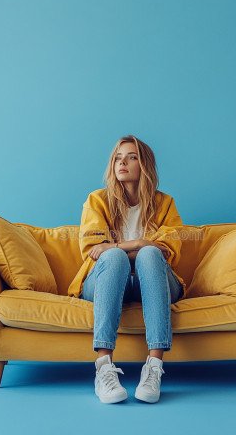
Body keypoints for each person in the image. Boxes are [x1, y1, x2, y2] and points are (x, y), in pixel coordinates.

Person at [70, 134, 187, 404]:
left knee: (148, 255)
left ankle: (154, 368)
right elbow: (95, 249)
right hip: (107, 282)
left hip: (155, 280)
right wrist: (137, 243)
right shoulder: (97, 200)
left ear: (144, 164)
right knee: (116, 259)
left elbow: (168, 249)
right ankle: (103, 368)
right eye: (117, 158)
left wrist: (124, 245)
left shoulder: (165, 203)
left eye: (131, 157)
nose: (122, 163)